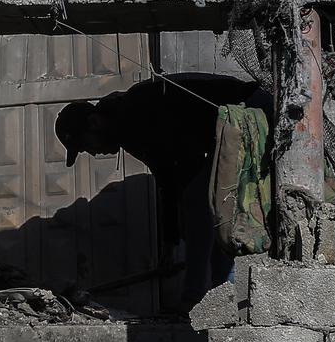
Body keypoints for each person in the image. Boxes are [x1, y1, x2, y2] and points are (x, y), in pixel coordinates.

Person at [55, 74, 267, 300]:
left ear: (95, 123)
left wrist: (183, 228)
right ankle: (221, 292)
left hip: (248, 111)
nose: (94, 153)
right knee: (206, 206)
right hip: (242, 114)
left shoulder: (131, 117)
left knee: (199, 203)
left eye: (87, 145)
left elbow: (183, 166)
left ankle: (197, 298)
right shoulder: (126, 115)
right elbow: (167, 177)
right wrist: (171, 241)